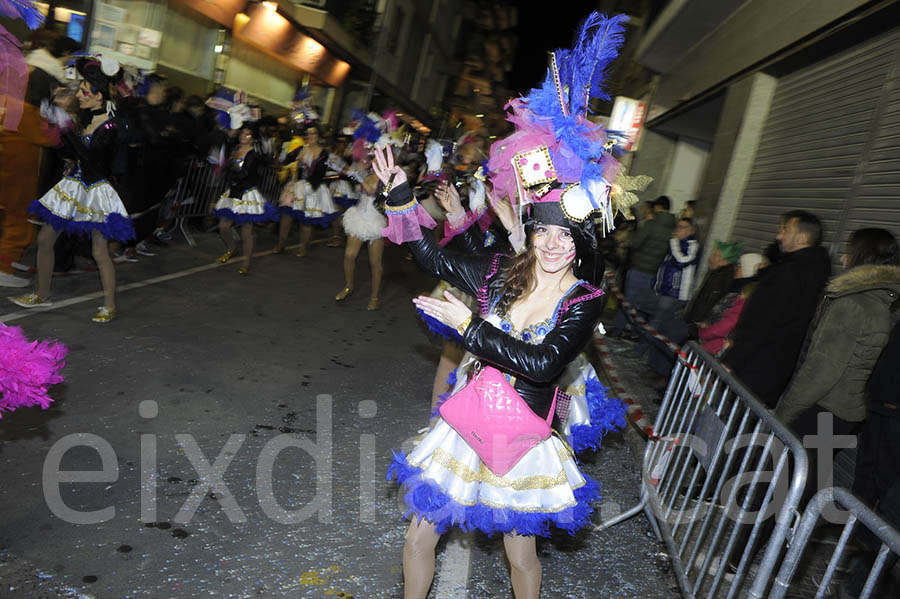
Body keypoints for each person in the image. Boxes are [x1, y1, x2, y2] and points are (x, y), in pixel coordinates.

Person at [380, 12, 629, 597]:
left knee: (522, 559)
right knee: (419, 536)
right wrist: (398, 201)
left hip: (523, 437)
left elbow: (543, 365)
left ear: (581, 244)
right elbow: (436, 260)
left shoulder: (584, 298)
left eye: (566, 236)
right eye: (543, 231)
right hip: (468, 422)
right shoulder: (501, 272)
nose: (551, 242)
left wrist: (468, 327)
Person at [9, 56, 134, 322]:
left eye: (85, 91)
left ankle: (109, 305)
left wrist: (64, 127)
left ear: (99, 97)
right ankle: (42, 294)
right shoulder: (85, 120)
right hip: (74, 186)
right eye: (80, 89)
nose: (79, 94)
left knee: (99, 251)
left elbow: (91, 161)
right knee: (44, 239)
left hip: (96, 191)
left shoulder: (111, 127)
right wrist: (56, 125)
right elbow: (71, 153)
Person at [722, 210, 831, 407]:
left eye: (785, 230)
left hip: (756, 364)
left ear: (803, 237)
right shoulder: (808, 269)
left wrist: (732, 358)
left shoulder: (790, 274)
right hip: (773, 366)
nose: (779, 235)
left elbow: (764, 320)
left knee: (730, 418)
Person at [0, 31, 75, 287]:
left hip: (8, 169)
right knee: (18, 220)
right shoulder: (29, 113)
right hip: (18, 172)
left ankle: (6, 261)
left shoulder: (9, 102)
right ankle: (4, 267)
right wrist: (63, 116)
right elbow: (50, 139)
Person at [212, 123, 277, 274]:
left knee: (246, 230)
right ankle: (231, 249)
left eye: (248, 134)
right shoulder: (235, 149)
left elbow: (246, 174)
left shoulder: (253, 154)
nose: (243, 136)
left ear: (253, 138)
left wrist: (231, 174)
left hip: (246, 194)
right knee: (223, 226)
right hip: (233, 191)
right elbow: (226, 167)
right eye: (242, 133)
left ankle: (246, 262)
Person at [610, 195, 675, 338]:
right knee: (642, 304)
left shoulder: (651, 224)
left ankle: (618, 329)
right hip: (656, 272)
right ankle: (635, 332)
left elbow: (636, 243)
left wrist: (627, 240)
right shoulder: (673, 228)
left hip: (639, 268)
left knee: (628, 301)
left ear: (657, 207)